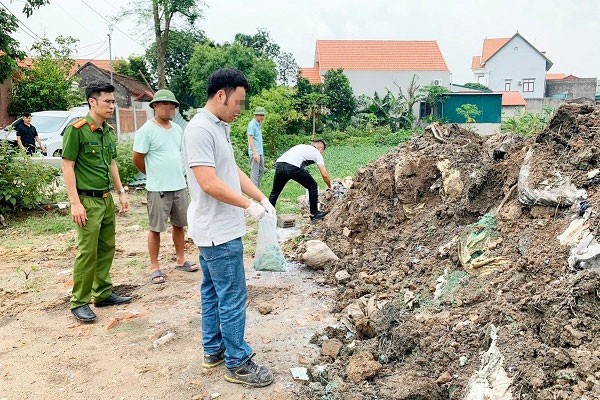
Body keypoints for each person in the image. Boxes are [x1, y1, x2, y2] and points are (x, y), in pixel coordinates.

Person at [184, 68, 276, 387]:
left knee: (212, 291)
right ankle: (237, 361)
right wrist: (246, 205)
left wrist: (261, 196)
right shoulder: (199, 130)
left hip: (216, 229)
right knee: (233, 295)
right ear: (221, 95)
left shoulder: (218, 127)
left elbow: (230, 170)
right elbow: (208, 182)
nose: (241, 108)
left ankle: (214, 350)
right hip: (218, 231)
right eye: (238, 102)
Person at [61, 81, 131, 323]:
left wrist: (120, 191)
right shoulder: (77, 129)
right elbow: (67, 165)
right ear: (92, 102)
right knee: (87, 252)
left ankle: (102, 293)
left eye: (113, 101)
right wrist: (75, 202)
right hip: (86, 201)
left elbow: (112, 163)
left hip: (105, 198)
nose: (113, 105)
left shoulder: (108, 132)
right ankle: (79, 301)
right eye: (108, 101)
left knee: (106, 248)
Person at [132, 89, 198, 285]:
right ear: (156, 106)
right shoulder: (146, 130)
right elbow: (137, 159)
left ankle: (181, 259)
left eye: (173, 105)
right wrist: (152, 174)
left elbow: (180, 155)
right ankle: (154, 267)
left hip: (178, 185)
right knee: (156, 228)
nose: (170, 108)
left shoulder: (178, 130)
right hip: (157, 188)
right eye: (166, 104)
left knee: (179, 225)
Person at [268, 140, 332, 221]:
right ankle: (314, 214)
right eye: (322, 151)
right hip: (292, 167)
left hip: (280, 165)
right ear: (320, 149)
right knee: (313, 186)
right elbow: (325, 175)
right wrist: (330, 186)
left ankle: (268, 215)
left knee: (275, 192)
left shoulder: (302, 146)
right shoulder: (317, 153)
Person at [247, 106, 266, 187]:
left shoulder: (258, 124)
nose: (263, 117)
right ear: (257, 115)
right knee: (254, 172)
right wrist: (254, 153)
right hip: (255, 152)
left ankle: (255, 189)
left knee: (261, 170)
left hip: (260, 152)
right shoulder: (252, 125)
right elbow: (250, 139)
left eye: (263, 115)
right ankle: (254, 192)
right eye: (261, 115)